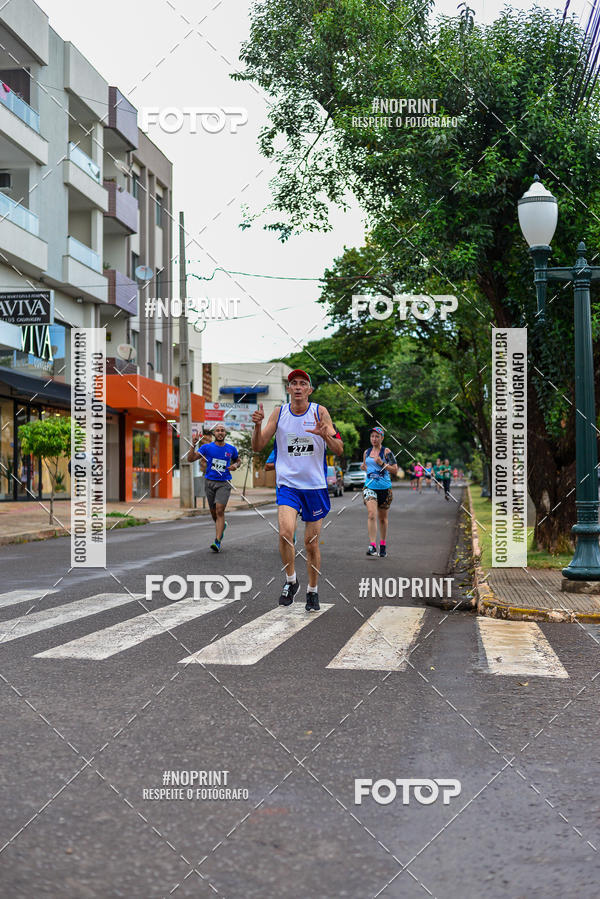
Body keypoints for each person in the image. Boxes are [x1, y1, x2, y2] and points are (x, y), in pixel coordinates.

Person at [251, 369, 343, 611]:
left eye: (303, 383)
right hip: (288, 485)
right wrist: (257, 426)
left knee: (311, 543)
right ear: (289, 389)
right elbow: (259, 446)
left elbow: (339, 449)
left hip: (314, 486)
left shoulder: (319, 412)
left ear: (309, 390)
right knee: (284, 532)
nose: (299, 387)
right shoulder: (279, 413)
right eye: (294, 383)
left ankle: (312, 590)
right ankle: (291, 581)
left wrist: (326, 436)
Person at [187, 423, 241, 551]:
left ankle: (217, 541)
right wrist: (193, 445)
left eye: (222, 430)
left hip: (224, 483)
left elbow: (238, 460)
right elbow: (190, 459)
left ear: (225, 434)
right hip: (210, 482)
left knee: (220, 510)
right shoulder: (207, 448)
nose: (220, 432)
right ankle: (222, 526)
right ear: (214, 434)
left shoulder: (231, 449)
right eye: (217, 430)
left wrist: (235, 466)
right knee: (213, 512)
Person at [361, 426, 398, 557]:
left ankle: (382, 544)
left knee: (383, 519)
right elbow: (367, 468)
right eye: (372, 436)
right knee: (371, 514)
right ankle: (372, 545)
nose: (374, 439)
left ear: (382, 438)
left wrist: (382, 463)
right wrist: (364, 468)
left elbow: (395, 470)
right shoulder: (367, 452)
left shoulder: (386, 451)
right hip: (370, 487)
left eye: (377, 436)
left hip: (385, 489)